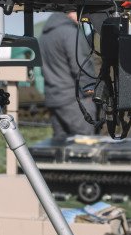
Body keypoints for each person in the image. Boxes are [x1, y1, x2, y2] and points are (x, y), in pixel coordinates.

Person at [38, 11, 96, 140]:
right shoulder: (70, 33)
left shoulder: (45, 34)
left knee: (61, 148)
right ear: (71, 12)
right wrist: (90, 90)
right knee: (84, 146)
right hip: (73, 101)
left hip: (53, 98)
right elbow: (81, 66)